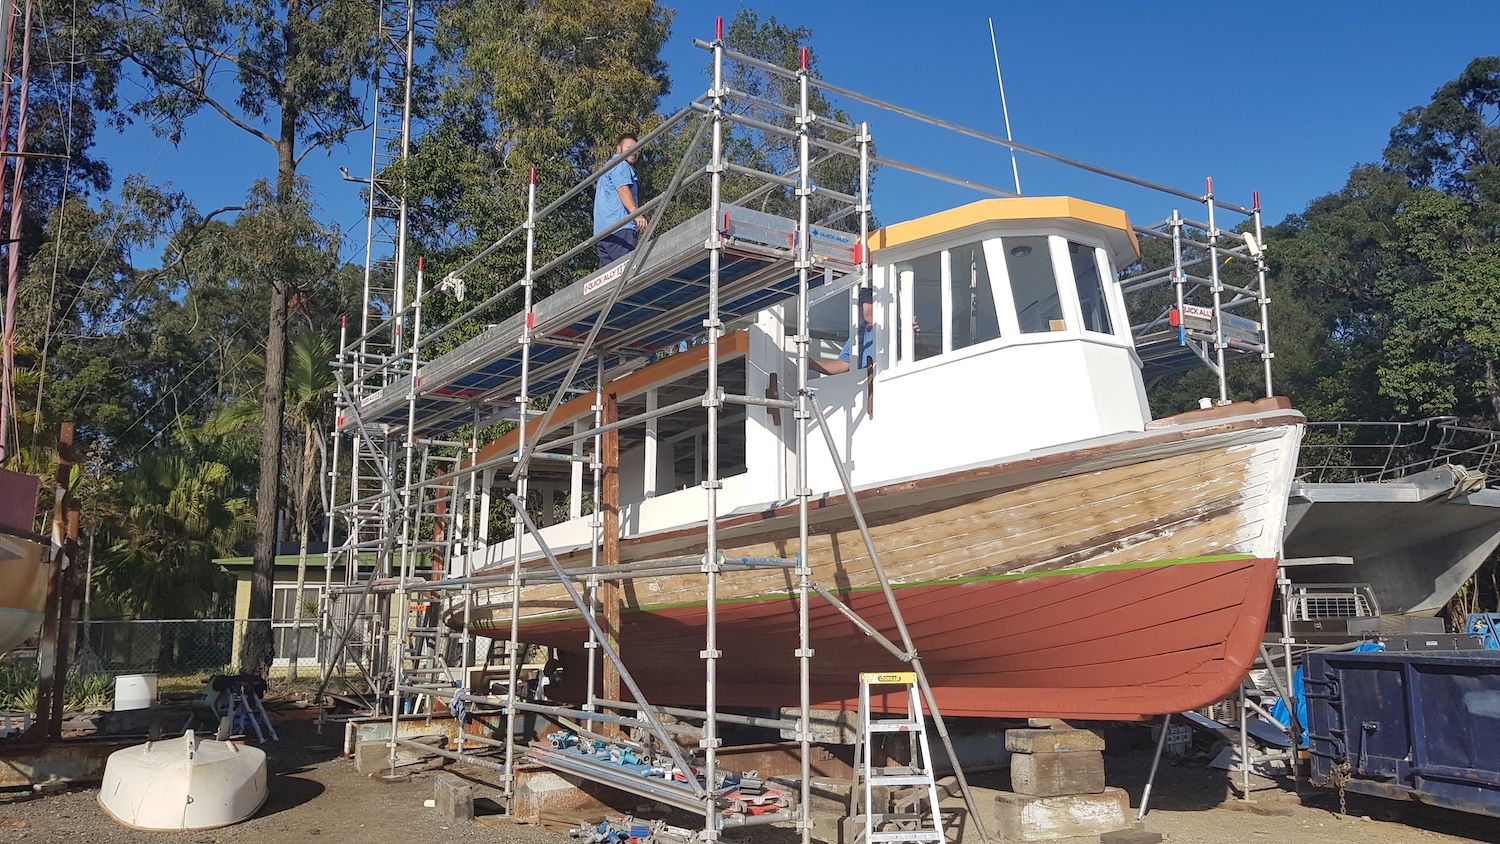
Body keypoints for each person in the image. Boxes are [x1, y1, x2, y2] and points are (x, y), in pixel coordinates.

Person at [594, 133, 644, 267]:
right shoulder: (621, 164)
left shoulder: (608, 167)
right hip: (621, 229)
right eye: (629, 148)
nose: (634, 152)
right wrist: (637, 214)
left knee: (610, 282)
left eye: (637, 149)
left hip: (602, 234)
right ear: (618, 149)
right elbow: (623, 190)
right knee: (626, 274)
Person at [812, 288, 875, 375]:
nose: (862, 306)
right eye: (860, 302)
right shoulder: (858, 332)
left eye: (866, 301)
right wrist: (811, 364)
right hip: (863, 384)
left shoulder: (889, 328)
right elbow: (843, 365)